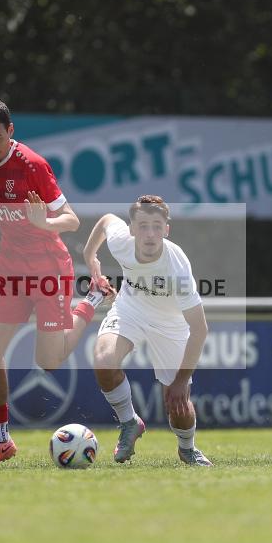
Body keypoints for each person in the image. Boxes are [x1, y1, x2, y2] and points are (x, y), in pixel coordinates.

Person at [0, 99, 111, 468]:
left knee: (48, 361)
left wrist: (45, 223)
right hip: (11, 270)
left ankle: (91, 299)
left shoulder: (33, 165)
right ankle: (0, 441)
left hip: (49, 271)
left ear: (10, 131)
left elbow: (71, 219)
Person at [83, 195, 213, 466]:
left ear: (167, 229)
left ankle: (187, 448)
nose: (150, 233)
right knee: (104, 362)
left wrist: (181, 381)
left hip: (170, 324)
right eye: (143, 226)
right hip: (130, 309)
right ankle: (130, 422)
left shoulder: (176, 266)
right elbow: (107, 220)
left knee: (177, 405)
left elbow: (200, 329)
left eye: (157, 226)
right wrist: (90, 256)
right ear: (132, 229)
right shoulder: (121, 242)